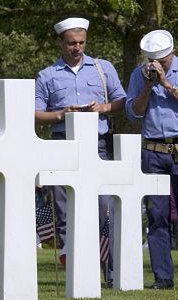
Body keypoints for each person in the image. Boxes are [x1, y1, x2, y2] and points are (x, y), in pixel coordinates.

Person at [34, 17, 126, 286]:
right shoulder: (47, 75)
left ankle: (110, 275)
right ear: (61, 43)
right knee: (65, 212)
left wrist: (105, 108)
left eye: (82, 42)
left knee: (104, 209)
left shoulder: (103, 68)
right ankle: (75, 272)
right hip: (63, 147)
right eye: (72, 43)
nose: (77, 48)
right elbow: (36, 113)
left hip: (97, 146)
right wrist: (62, 114)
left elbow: (122, 100)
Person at [125, 29, 178, 291]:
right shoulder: (139, 75)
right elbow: (134, 112)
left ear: (171, 54)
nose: (158, 65)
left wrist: (167, 84)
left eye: (163, 61)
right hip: (153, 151)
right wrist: (148, 87)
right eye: (153, 60)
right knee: (157, 215)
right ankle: (162, 277)